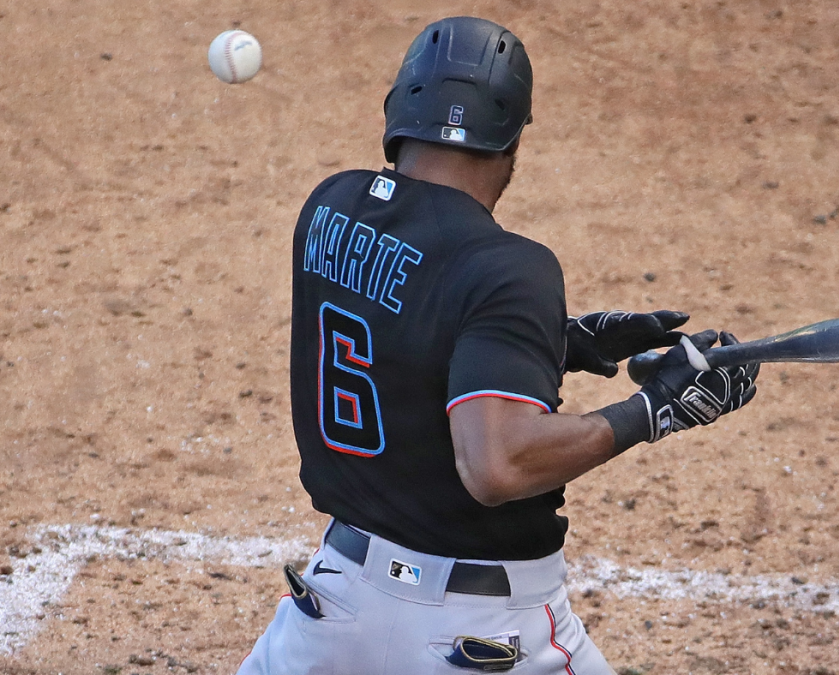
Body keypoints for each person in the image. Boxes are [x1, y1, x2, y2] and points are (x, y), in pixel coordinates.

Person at [235, 16, 759, 675]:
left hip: (332, 616)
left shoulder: (331, 209)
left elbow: (403, 328)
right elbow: (497, 466)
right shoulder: (508, 267)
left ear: (398, 112)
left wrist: (558, 341)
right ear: (511, 139)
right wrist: (654, 409)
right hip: (483, 641)